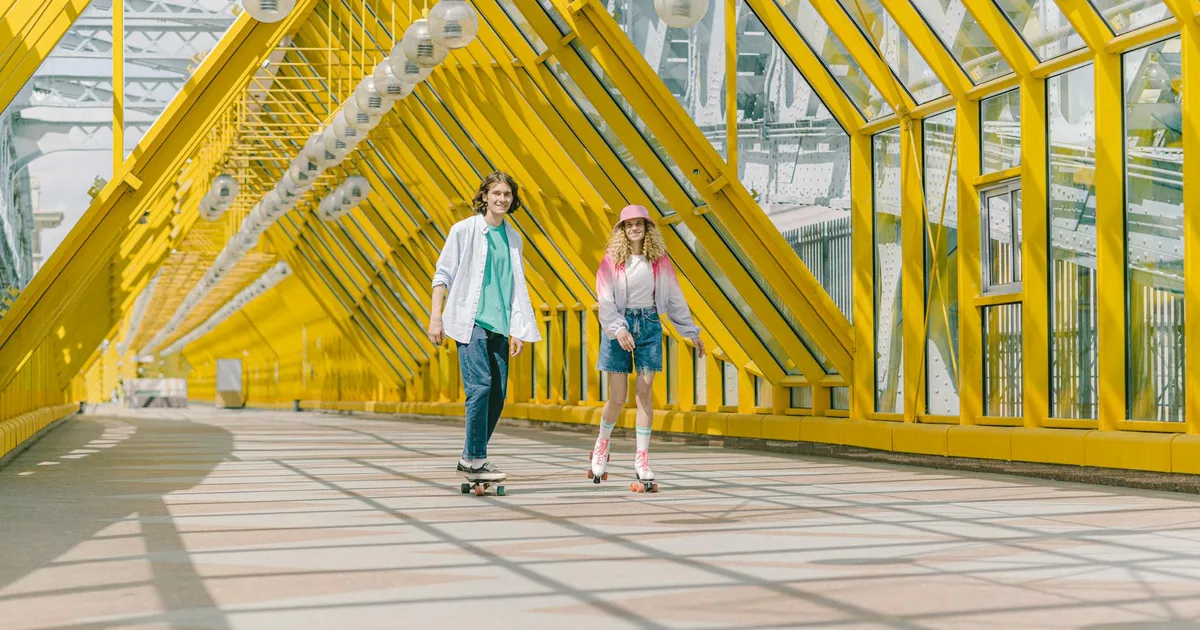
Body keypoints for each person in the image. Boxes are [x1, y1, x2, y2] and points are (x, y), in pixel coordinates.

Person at [428, 171, 541, 482]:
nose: (502, 199)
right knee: (480, 387)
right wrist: (435, 317)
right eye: (496, 193)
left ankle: (469, 456)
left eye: (507, 194)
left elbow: (516, 285)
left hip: (500, 327)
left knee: (498, 395)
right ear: (484, 197)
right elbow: (442, 276)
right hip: (470, 322)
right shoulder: (463, 230)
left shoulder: (514, 238)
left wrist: (517, 327)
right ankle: (477, 459)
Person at [590, 204, 705, 486]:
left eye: (639, 224)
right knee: (617, 397)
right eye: (628, 225)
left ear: (647, 228)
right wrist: (618, 330)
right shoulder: (610, 261)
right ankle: (602, 444)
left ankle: (642, 458)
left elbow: (675, 297)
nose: (634, 229)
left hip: (649, 324)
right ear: (622, 231)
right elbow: (604, 300)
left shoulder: (660, 260)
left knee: (644, 392)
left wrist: (690, 331)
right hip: (618, 326)